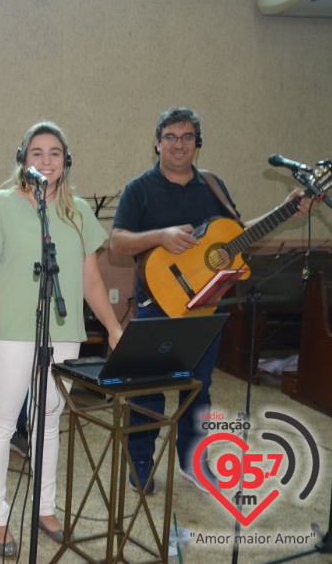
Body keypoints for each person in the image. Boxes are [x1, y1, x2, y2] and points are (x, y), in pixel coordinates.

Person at [110, 106, 313, 495]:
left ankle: (192, 459)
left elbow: (238, 233)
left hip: (207, 304)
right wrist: (160, 236)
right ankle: (139, 461)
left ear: (197, 144)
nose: (179, 144)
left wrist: (287, 209)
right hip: (158, 302)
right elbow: (118, 242)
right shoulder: (140, 188)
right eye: (170, 136)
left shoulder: (213, 186)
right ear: (157, 143)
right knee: (148, 387)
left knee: (199, 386)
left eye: (187, 137)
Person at [0, 121, 123, 556]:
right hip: (10, 333)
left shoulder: (77, 210)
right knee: (2, 423)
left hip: (63, 334)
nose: (45, 160)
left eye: (54, 152)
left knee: (50, 421)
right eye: (36, 152)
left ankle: (45, 507)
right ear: (23, 158)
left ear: (65, 161)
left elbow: (90, 279)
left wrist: (113, 327)